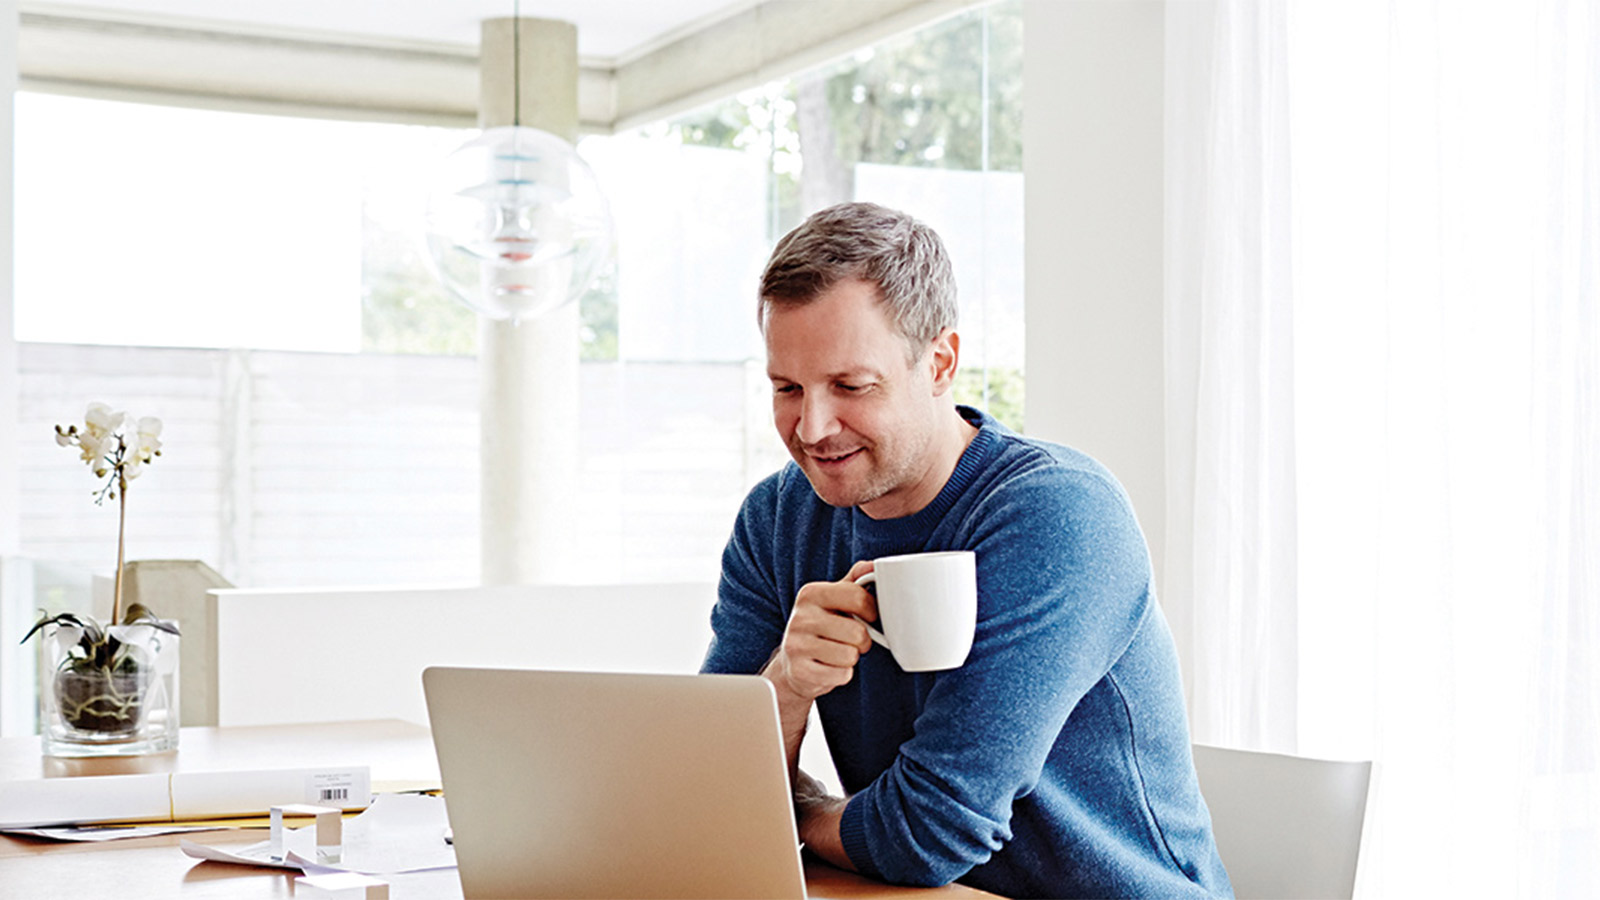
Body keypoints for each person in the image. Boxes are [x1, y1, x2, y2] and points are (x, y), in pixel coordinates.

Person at [700, 201, 1233, 899]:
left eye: (851, 386)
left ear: (941, 362)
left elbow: (928, 833)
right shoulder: (778, 520)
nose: (813, 426)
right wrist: (789, 685)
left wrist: (803, 812)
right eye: (787, 388)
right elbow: (708, 793)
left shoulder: (1058, 515)